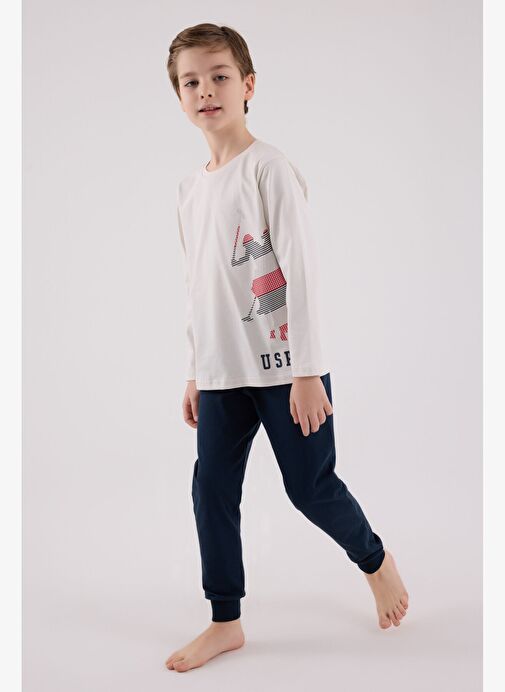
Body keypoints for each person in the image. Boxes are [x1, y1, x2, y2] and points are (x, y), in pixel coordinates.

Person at [164, 23, 409, 674]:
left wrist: (306, 372)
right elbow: (198, 290)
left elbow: (300, 275)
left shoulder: (268, 169)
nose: (206, 90)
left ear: (247, 86)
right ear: (179, 97)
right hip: (221, 374)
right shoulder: (188, 191)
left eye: (219, 76)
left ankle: (375, 560)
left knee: (310, 488)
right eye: (191, 82)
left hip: (285, 369)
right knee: (210, 492)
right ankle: (225, 620)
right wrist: (194, 371)